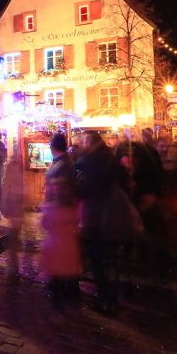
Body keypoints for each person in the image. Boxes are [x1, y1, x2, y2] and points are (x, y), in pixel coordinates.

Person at [76, 130, 123, 315]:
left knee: (97, 258)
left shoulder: (91, 160)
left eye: (84, 140)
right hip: (111, 214)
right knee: (110, 258)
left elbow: (86, 189)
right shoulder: (110, 156)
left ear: (90, 142)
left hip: (96, 215)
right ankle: (111, 297)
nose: (82, 143)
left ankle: (104, 298)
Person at [40, 176, 81, 309]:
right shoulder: (74, 205)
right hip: (68, 244)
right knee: (69, 274)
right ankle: (71, 300)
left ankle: (58, 305)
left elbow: (45, 224)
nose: (54, 188)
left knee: (57, 276)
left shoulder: (53, 206)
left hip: (57, 244)